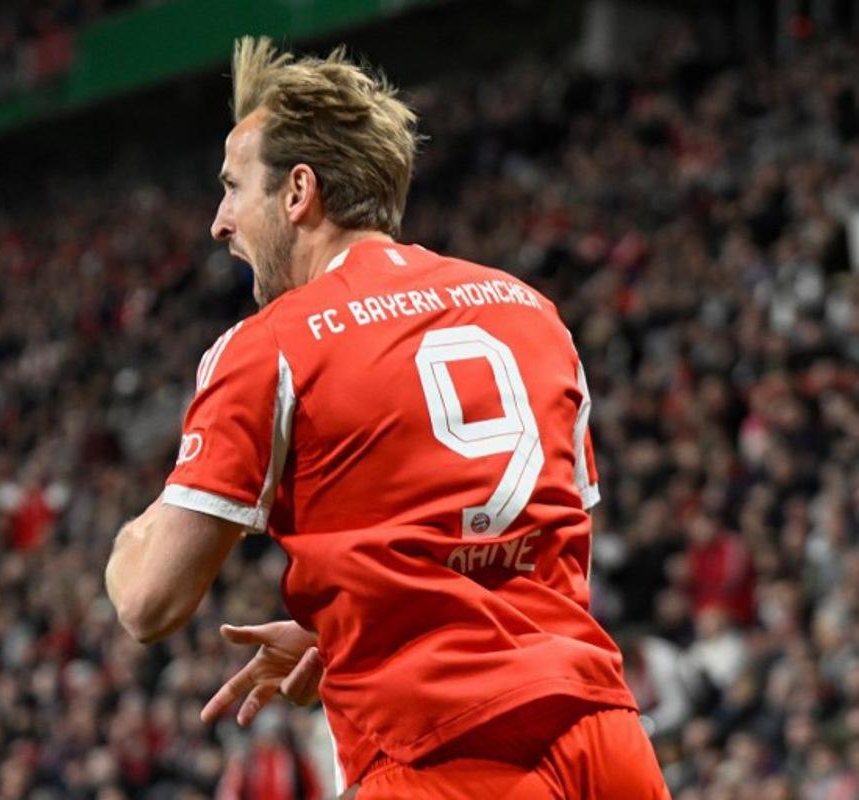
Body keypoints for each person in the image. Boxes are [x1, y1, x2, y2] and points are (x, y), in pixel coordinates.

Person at [105, 36, 669, 798]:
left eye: (234, 188)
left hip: (443, 758)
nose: (219, 222)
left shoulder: (268, 346)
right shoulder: (534, 314)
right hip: (605, 741)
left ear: (298, 192)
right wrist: (348, 636)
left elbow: (151, 604)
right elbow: (538, 553)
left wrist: (131, 534)